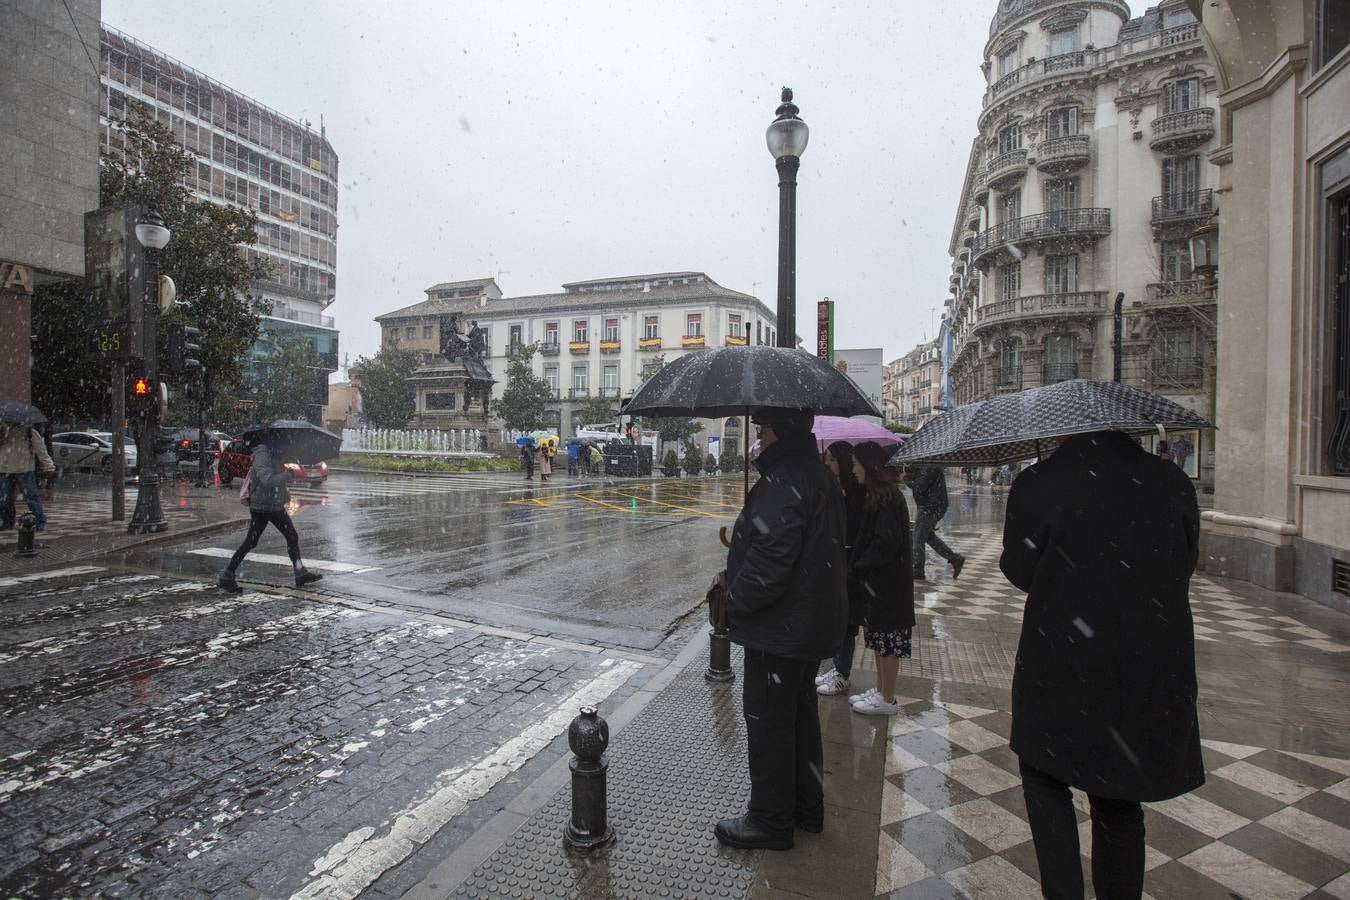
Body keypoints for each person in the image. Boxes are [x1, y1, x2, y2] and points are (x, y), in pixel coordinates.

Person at [999, 430, 1203, 899]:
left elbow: (1018, 572)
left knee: (1045, 776)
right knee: (1119, 797)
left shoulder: (1040, 481)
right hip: (1148, 660)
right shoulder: (1171, 480)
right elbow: (1185, 561)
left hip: (1061, 658)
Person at [714, 407, 846, 851]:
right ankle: (807, 808)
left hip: (780, 628)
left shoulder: (784, 481)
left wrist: (734, 600)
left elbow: (771, 564)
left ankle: (770, 820)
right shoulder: (818, 475)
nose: (759, 438)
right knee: (799, 717)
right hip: (807, 625)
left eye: (764, 429)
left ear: (780, 432)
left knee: (770, 723)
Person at [846, 442, 915, 716]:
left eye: (856, 464)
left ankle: (887, 699)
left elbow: (886, 544)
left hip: (888, 585)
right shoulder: (879, 494)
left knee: (887, 642)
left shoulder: (887, 496)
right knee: (878, 639)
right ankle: (880, 690)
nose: (853, 470)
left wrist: (860, 564)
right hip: (881, 585)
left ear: (868, 465)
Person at [218, 438, 323, 593]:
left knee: (282, 537)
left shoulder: (274, 455)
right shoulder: (262, 456)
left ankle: (228, 575)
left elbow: (275, 480)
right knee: (274, 538)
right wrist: (286, 475)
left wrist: (284, 492)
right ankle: (227, 575)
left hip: (271, 504)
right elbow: (267, 480)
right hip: (263, 506)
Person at [814, 441, 868, 696]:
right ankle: (837, 667)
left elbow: (853, 528)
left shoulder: (856, 492)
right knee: (838, 618)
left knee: (846, 621)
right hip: (838, 561)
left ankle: (843, 673)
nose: (828, 463)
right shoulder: (836, 487)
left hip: (850, 564)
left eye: (832, 459)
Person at [907, 464, 965, 581]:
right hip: (932, 505)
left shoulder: (929, 465)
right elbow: (921, 481)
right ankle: (955, 558)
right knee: (927, 536)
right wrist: (912, 471)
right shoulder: (926, 465)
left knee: (918, 538)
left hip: (931, 507)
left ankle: (917, 571)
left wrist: (905, 479)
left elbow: (919, 487)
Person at [0, 421, 56, 532]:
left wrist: (49, 466)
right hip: (4, 469)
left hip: (24, 469)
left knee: (31, 497)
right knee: (4, 499)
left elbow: (41, 450)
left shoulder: (29, 432)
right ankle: (7, 522)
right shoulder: (2, 431)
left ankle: (40, 522)